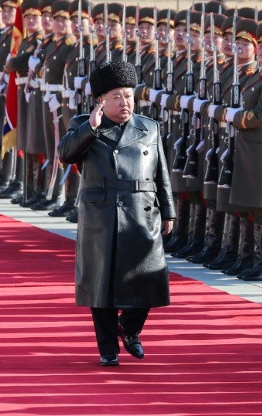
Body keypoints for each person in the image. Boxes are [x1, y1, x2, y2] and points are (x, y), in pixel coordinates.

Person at [58, 60, 175, 367]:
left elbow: (161, 173)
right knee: (102, 284)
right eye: (117, 96)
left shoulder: (149, 126)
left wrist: (169, 212)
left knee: (150, 276)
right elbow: (65, 154)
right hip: (102, 214)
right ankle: (108, 347)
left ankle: (130, 328)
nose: (125, 102)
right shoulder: (83, 124)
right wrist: (91, 127)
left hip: (142, 211)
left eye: (129, 96)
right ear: (101, 100)